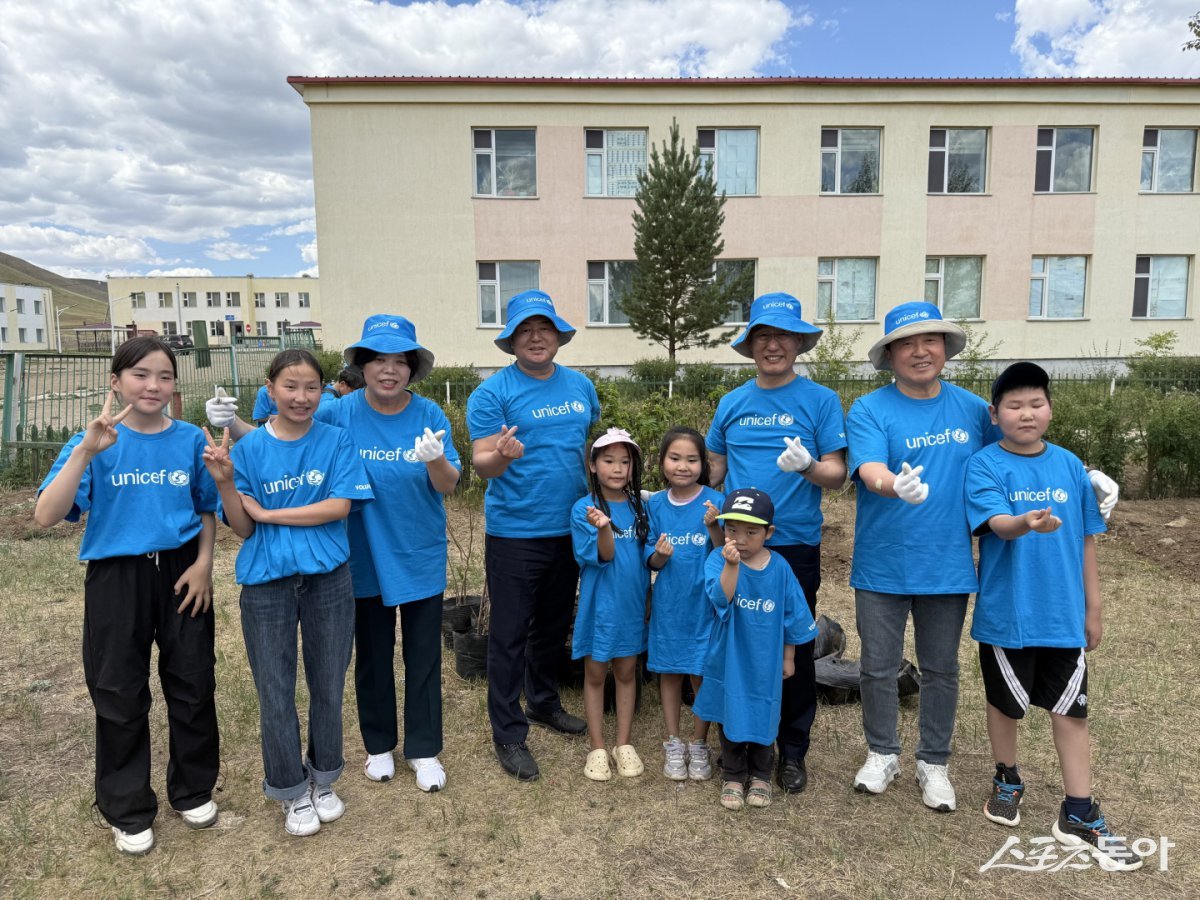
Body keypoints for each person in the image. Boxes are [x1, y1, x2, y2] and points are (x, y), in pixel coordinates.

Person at [846, 301, 1120, 813]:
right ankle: (882, 751)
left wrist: (1083, 477)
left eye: (930, 340)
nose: (920, 351)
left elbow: (1024, 446)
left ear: (946, 349)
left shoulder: (974, 409)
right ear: (891, 354)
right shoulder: (869, 408)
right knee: (878, 667)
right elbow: (869, 469)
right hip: (882, 561)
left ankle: (934, 761)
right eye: (907, 343)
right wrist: (892, 485)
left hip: (948, 564)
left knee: (941, 667)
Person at [34, 336, 220, 856]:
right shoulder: (94, 439)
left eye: (164, 376)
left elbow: (205, 506)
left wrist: (204, 563)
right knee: (118, 689)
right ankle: (127, 806)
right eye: (140, 374)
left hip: (183, 571)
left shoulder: (188, 439)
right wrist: (86, 452)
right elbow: (48, 515)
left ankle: (193, 788)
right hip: (117, 575)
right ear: (116, 381)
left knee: (192, 680)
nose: (153, 386)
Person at [966, 362, 1142, 871]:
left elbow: (1086, 540)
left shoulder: (1070, 466)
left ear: (1050, 410)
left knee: (1072, 711)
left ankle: (1079, 812)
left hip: (1064, 616)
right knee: (1005, 704)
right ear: (995, 415)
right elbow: (995, 523)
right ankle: (1007, 777)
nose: (1026, 413)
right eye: (1014, 405)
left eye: (1036, 403)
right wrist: (1025, 520)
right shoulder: (984, 465)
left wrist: (1094, 607)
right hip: (1007, 616)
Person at [204, 348, 373, 837]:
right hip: (267, 583)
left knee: (328, 684)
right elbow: (242, 529)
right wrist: (229, 487)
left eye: (311, 387)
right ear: (270, 389)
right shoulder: (250, 449)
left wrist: (270, 512)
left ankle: (324, 779)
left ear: (323, 391)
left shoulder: (337, 440)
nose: (301, 397)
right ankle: (290, 789)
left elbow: (339, 506)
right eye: (290, 387)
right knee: (274, 690)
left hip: (329, 579)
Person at [706, 292, 847, 794]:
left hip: (793, 547)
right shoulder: (733, 402)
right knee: (737, 641)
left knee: (793, 644)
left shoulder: (820, 400)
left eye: (783, 336)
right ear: (750, 345)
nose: (773, 345)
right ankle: (736, 746)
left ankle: (790, 750)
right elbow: (715, 472)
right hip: (737, 546)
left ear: (797, 343)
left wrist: (807, 465)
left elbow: (837, 474)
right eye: (763, 336)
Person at [317, 316, 460, 792]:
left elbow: (449, 484)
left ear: (413, 368)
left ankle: (423, 750)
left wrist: (435, 458)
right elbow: (290, 439)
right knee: (373, 656)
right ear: (361, 364)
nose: (389, 369)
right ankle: (378, 745)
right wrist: (233, 425)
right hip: (361, 555)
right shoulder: (338, 412)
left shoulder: (430, 415)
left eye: (400, 360)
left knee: (422, 656)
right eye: (378, 359)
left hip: (418, 551)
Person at [467, 290, 601, 782]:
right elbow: (482, 464)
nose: (536, 337)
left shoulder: (581, 386)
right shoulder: (491, 394)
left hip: (568, 528)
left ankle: (543, 701)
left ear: (558, 337)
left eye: (544, 328)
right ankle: (508, 730)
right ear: (512, 341)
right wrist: (503, 455)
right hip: (515, 532)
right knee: (508, 634)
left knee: (551, 623)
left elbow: (586, 447)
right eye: (526, 330)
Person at [692, 489, 818, 810]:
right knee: (730, 711)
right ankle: (733, 775)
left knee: (765, 711)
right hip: (729, 657)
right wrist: (731, 565)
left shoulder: (781, 568)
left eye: (751, 531)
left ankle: (761, 773)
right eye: (732, 530)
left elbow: (792, 615)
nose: (741, 539)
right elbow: (722, 598)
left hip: (766, 660)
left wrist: (789, 655)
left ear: (768, 532)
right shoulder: (716, 559)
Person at [644, 426, 724, 781]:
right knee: (670, 669)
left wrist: (714, 528)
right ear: (662, 462)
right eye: (675, 458)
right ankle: (673, 741)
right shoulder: (656, 504)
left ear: (703, 464)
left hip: (704, 604)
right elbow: (650, 558)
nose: (683, 466)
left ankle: (699, 741)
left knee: (700, 671)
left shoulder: (714, 502)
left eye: (692, 459)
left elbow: (725, 553)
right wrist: (659, 556)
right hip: (669, 603)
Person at [571, 428, 652, 781]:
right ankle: (598, 747)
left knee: (626, 672)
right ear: (592, 465)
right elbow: (603, 554)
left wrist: (661, 557)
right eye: (608, 461)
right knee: (594, 674)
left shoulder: (640, 507)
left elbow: (649, 557)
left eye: (625, 461)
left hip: (632, 605)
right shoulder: (584, 509)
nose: (618, 469)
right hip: (599, 606)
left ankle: (623, 743)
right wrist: (604, 527)